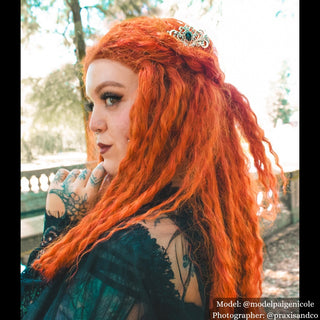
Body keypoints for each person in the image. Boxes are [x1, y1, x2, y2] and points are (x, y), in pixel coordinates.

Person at [21, 16, 286, 319]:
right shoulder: (212, 219)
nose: (93, 123)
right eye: (91, 104)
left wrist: (57, 234)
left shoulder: (124, 251)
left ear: (168, 106)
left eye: (111, 98)